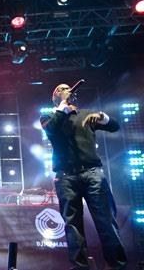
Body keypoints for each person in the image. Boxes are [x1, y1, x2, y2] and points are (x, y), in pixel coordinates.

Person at [40, 83, 126, 270]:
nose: (66, 90)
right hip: (65, 177)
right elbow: (51, 130)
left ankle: (117, 265)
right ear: (54, 96)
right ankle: (80, 267)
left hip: (92, 173)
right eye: (61, 89)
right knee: (73, 225)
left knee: (106, 221)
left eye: (67, 88)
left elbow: (115, 127)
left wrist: (102, 117)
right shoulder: (49, 117)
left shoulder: (86, 113)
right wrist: (62, 106)